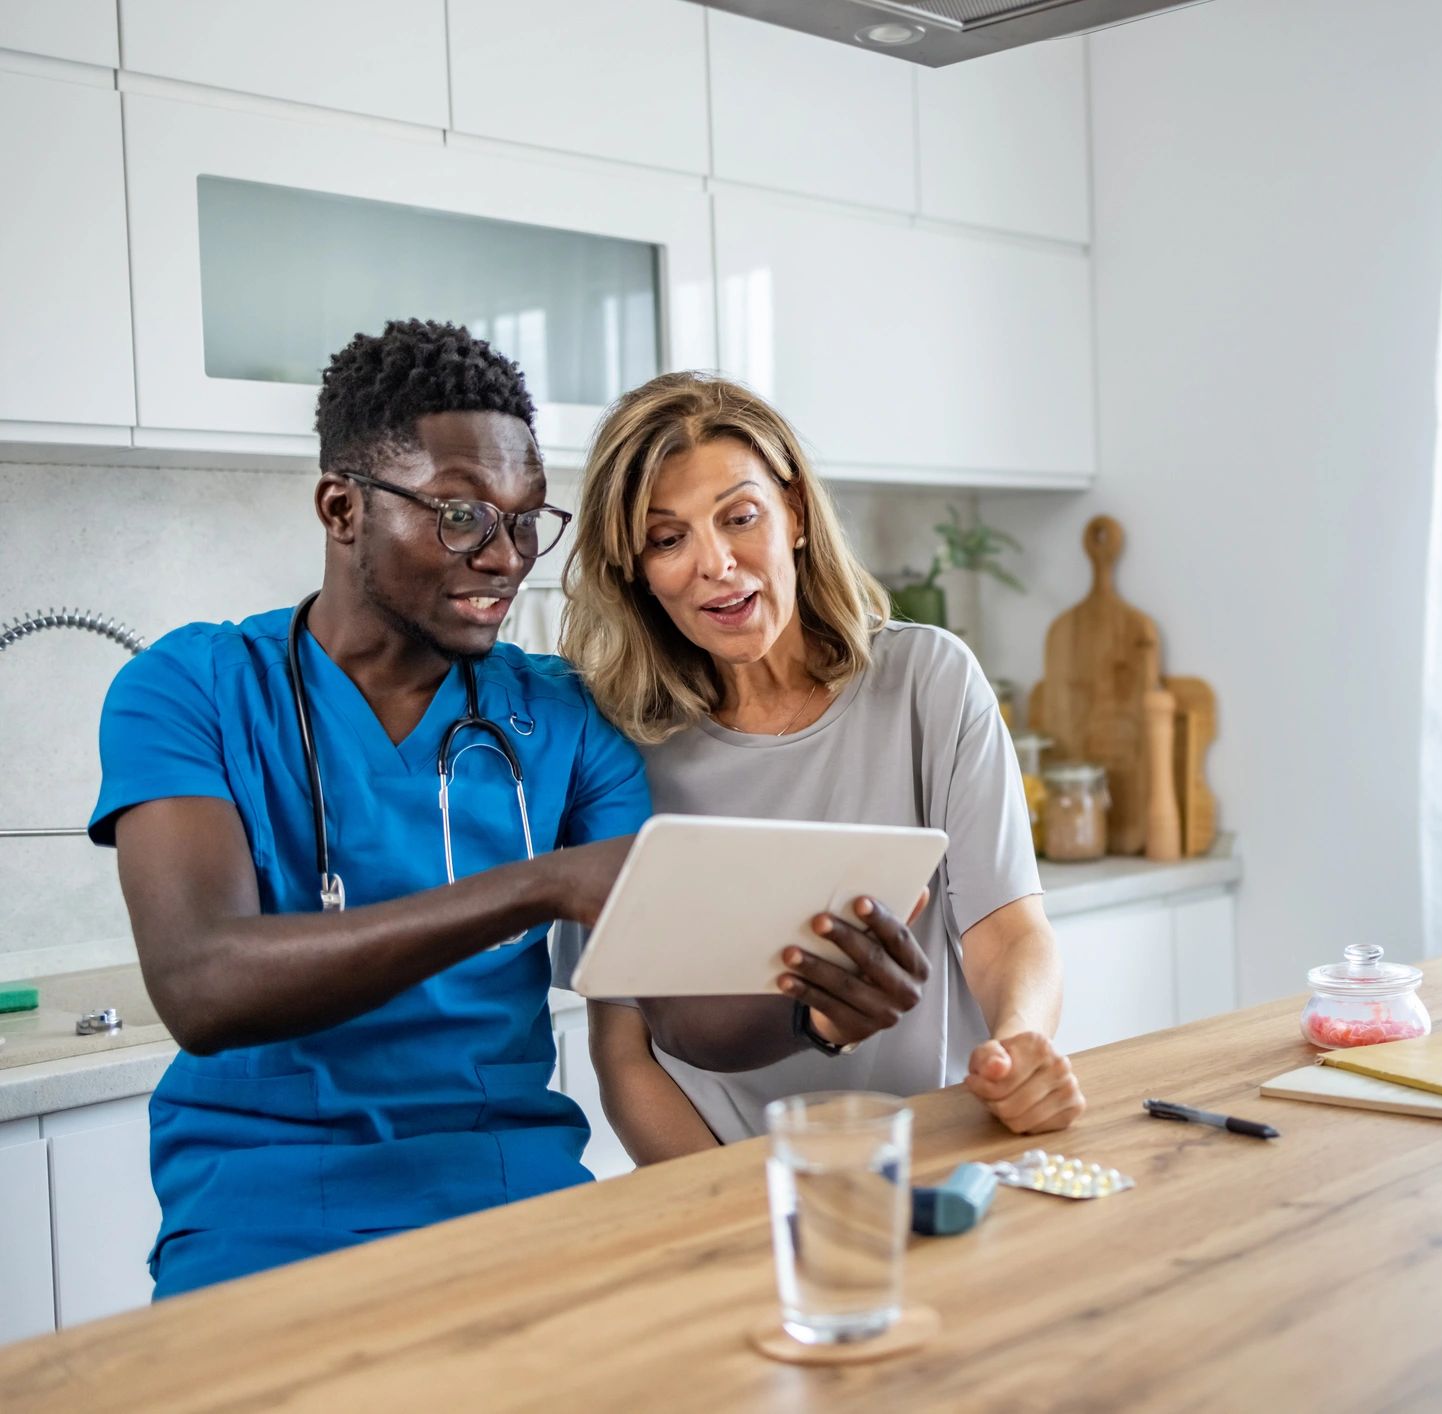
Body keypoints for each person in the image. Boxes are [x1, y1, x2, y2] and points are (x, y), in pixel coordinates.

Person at [92, 321, 928, 1298]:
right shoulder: (190, 688)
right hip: (265, 1209)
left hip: (512, 1197)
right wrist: (540, 886)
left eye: (526, 519)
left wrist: (809, 1008)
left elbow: (681, 1015)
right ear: (341, 507)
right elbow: (202, 987)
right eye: (461, 515)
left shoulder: (565, 716)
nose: (503, 555)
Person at [558, 372, 1085, 1156]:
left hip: (930, 1150)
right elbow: (624, 1050)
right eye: (668, 538)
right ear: (634, 568)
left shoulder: (927, 683)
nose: (717, 564)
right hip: (726, 1181)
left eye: (740, 517)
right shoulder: (616, 745)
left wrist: (1019, 1050)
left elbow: (1009, 934)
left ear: (794, 513)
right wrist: (730, 1210)